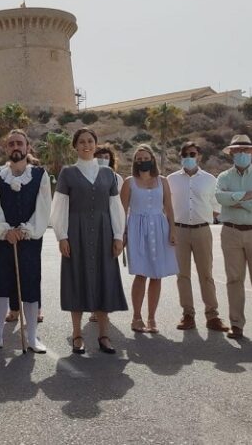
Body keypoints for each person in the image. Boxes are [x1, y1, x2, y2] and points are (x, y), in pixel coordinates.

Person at [51, 128, 127, 355]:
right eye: (82, 141)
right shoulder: (68, 173)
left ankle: (104, 335)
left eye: (90, 141)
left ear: (96, 144)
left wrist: (117, 236)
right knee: (77, 278)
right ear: (75, 146)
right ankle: (77, 335)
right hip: (76, 233)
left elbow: (116, 207)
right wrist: (62, 235)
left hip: (104, 233)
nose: (86, 145)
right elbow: (59, 206)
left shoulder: (108, 175)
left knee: (104, 278)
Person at [0, 129, 51, 353]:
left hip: (29, 240)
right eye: (11, 144)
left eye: (19, 143)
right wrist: (4, 230)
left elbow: (43, 207)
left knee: (30, 286)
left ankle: (32, 337)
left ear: (28, 147)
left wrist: (26, 230)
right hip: (4, 240)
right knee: (1, 286)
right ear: (6, 148)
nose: (15, 147)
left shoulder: (40, 175)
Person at [215, 135, 252, 341]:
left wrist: (235, 200)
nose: (241, 154)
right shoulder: (223, 177)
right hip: (231, 232)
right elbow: (219, 197)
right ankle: (236, 324)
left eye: (245, 150)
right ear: (231, 153)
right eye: (237, 151)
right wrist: (245, 196)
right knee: (234, 280)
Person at [166, 141, 230, 332]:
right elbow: (166, 206)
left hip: (202, 230)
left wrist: (209, 217)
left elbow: (217, 205)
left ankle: (212, 316)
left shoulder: (210, 179)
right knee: (182, 275)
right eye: (185, 154)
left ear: (199, 156)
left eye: (192, 154)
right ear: (181, 157)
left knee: (206, 274)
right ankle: (188, 315)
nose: (189, 157)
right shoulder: (171, 179)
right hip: (179, 230)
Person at [121, 144, 178, 334]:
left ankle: (152, 318)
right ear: (135, 162)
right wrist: (122, 235)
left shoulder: (163, 181)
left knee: (157, 274)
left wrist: (173, 230)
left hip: (159, 228)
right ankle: (136, 317)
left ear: (152, 159)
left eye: (146, 158)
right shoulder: (129, 182)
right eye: (139, 159)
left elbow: (169, 207)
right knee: (141, 274)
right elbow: (122, 211)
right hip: (137, 229)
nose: (142, 162)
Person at [85, 143, 124, 324]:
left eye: (106, 157)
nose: (102, 160)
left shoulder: (117, 179)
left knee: (106, 270)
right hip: (88, 227)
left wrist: (120, 234)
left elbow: (120, 208)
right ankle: (93, 308)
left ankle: (104, 308)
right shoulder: (85, 176)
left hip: (109, 228)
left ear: (111, 160)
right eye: (99, 156)